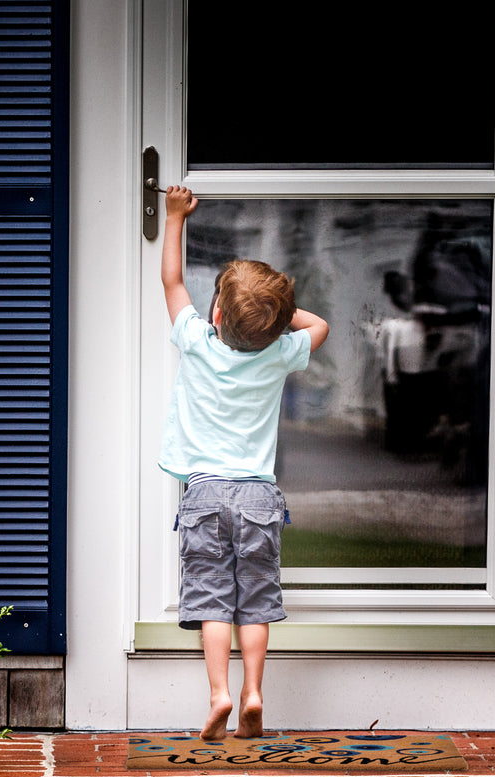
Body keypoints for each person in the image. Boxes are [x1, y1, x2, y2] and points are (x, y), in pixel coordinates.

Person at [157, 185, 330, 740]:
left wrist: (175, 216)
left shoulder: (196, 341)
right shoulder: (281, 352)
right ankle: (256, 691)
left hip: (205, 491)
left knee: (212, 599)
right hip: (258, 495)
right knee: (255, 600)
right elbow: (318, 325)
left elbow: (172, 281)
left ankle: (220, 694)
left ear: (216, 313)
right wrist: (280, 317)